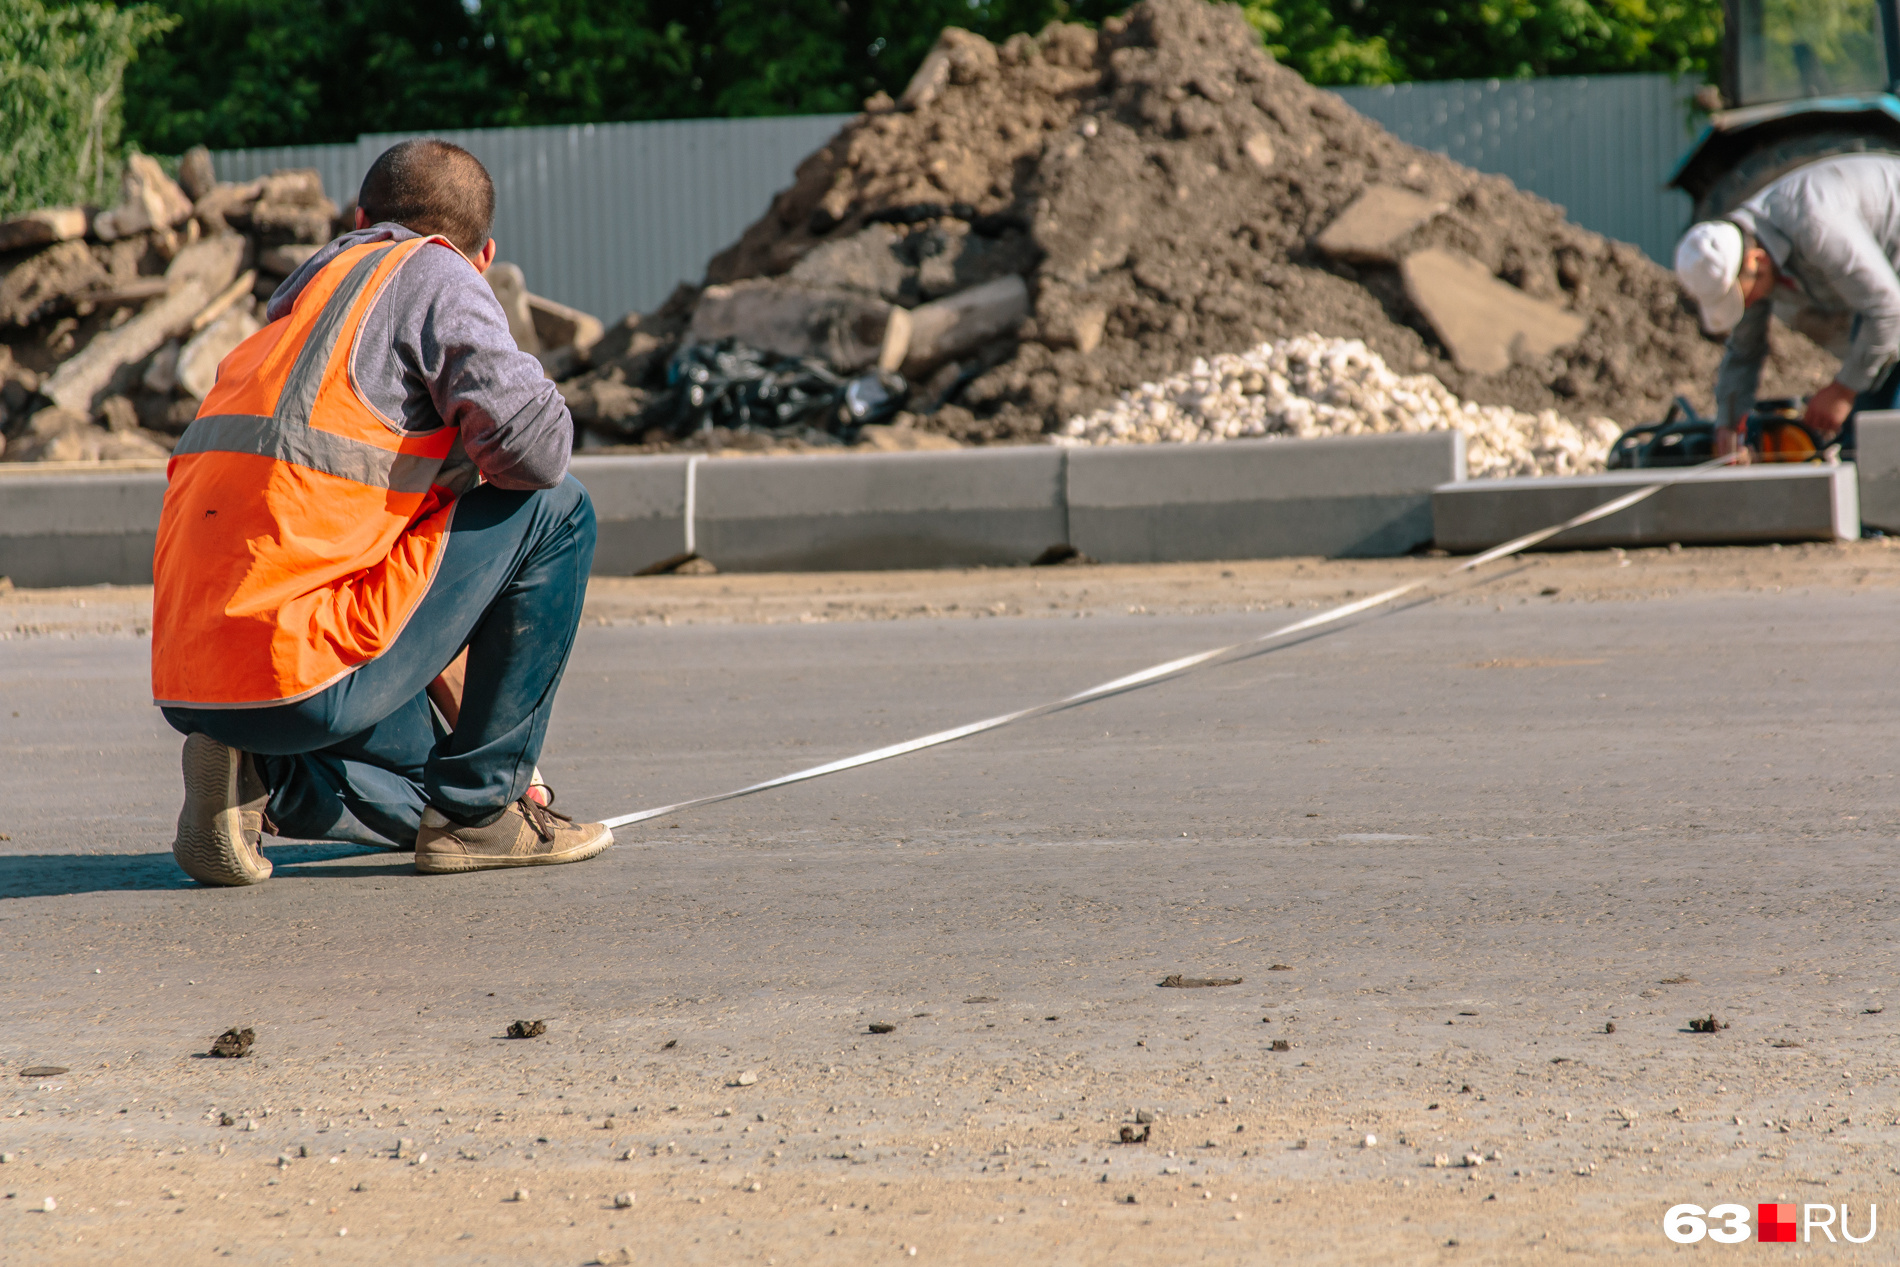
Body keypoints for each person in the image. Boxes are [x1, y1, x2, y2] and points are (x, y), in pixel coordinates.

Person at [151, 138, 611, 886]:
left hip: (197, 675)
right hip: (299, 663)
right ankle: (477, 818)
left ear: (359, 218)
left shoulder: (299, 313)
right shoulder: (433, 270)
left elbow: (395, 563)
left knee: (418, 798)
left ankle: (259, 774)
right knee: (559, 508)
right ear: (482, 255)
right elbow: (539, 451)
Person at [1673, 153, 1900, 460]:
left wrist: (1843, 390)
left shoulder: (1816, 226)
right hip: (1886, 284)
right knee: (1865, 433)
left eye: (1742, 297)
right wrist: (1728, 424)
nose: (1747, 305)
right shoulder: (1749, 251)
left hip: (1891, 286)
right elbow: (1744, 350)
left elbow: (1888, 310)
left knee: (1881, 432)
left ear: (1757, 262)